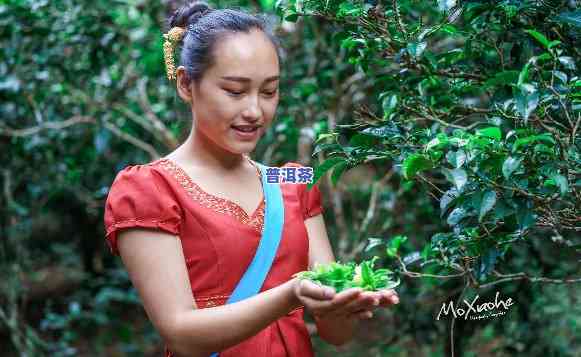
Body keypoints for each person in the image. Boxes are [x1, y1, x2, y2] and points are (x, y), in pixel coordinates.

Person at [103, 1, 400, 356]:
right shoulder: (148, 192)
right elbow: (180, 333)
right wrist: (291, 294)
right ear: (186, 84)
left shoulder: (295, 185)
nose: (255, 111)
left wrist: (344, 304)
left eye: (269, 91)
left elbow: (335, 333)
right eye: (234, 91)